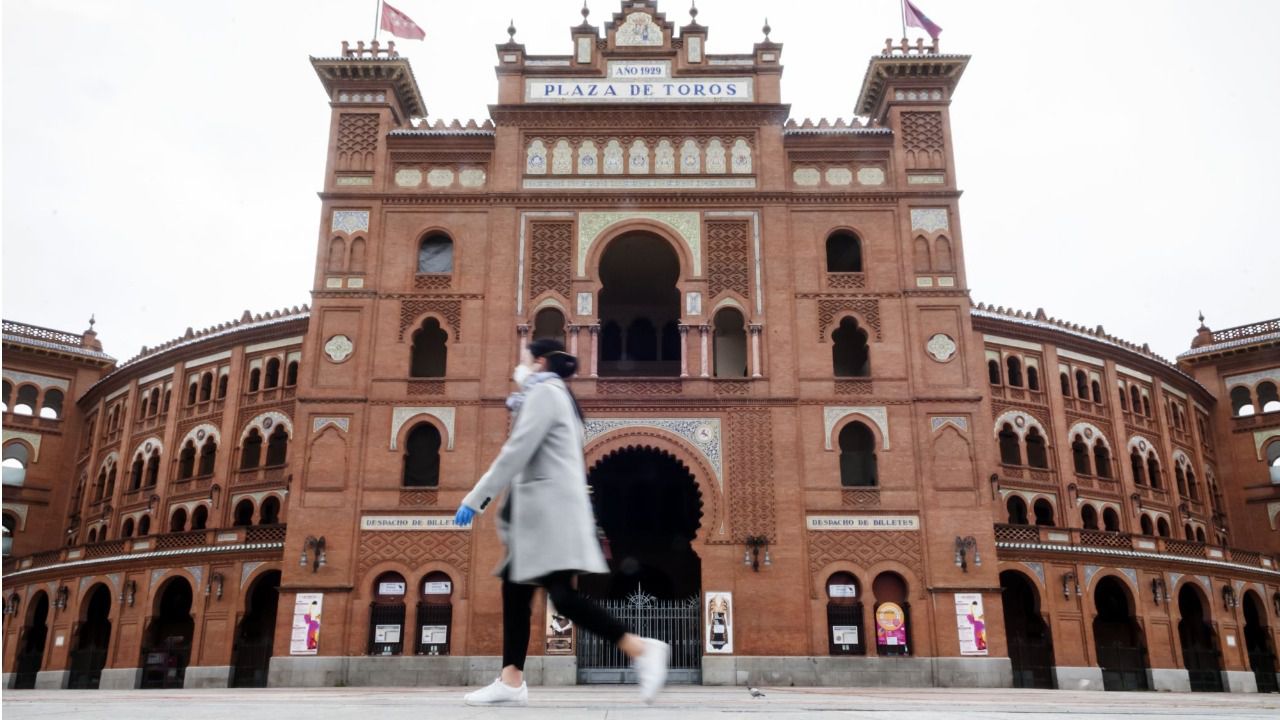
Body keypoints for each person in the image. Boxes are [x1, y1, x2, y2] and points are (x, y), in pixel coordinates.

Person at [454, 339, 670, 707]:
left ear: (540, 361)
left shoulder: (546, 394)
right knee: (516, 590)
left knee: (563, 596)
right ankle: (511, 680)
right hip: (538, 517)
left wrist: (475, 499)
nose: (519, 368)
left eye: (525, 360)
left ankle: (641, 648)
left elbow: (516, 451)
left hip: (547, 517)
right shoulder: (557, 397)